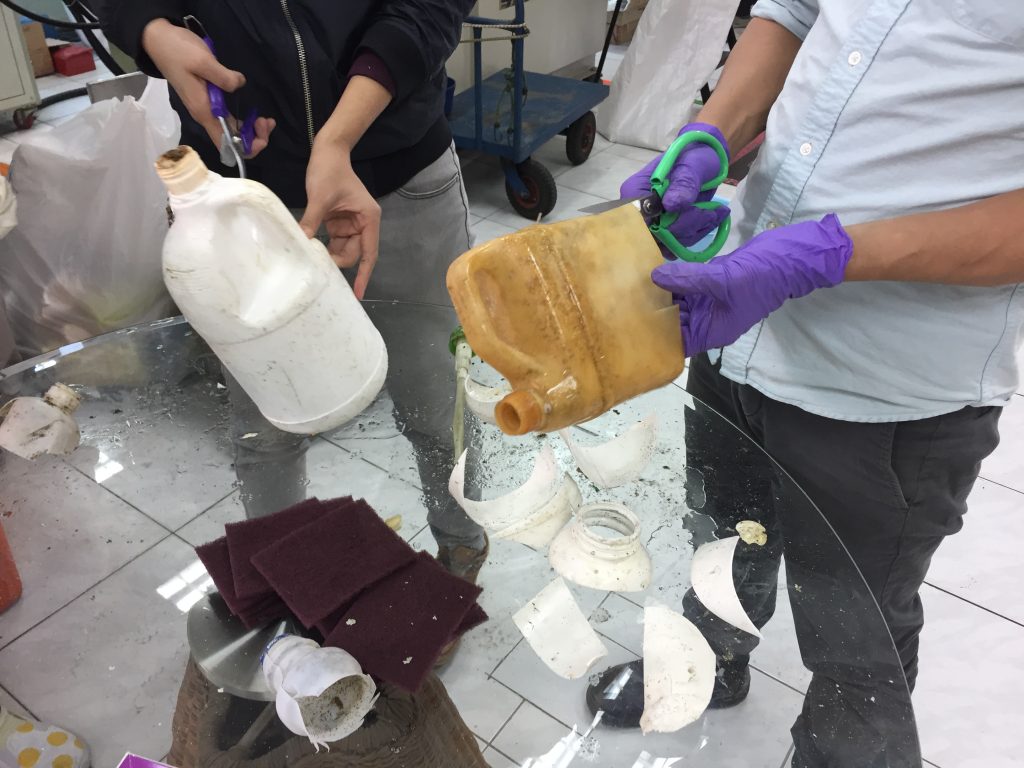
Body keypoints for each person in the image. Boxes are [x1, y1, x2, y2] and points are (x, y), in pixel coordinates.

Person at [587, 2, 1023, 766]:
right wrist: (710, 136)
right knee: (724, 536)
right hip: (737, 321)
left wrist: (827, 253)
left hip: (885, 383)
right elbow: (793, 11)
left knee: (856, 636)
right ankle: (706, 662)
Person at [95, 1, 488, 581]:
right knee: (265, 424)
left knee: (435, 399)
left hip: (396, 176)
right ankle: (286, 582)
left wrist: (337, 139)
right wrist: (150, 29)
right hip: (240, 196)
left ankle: (461, 547)